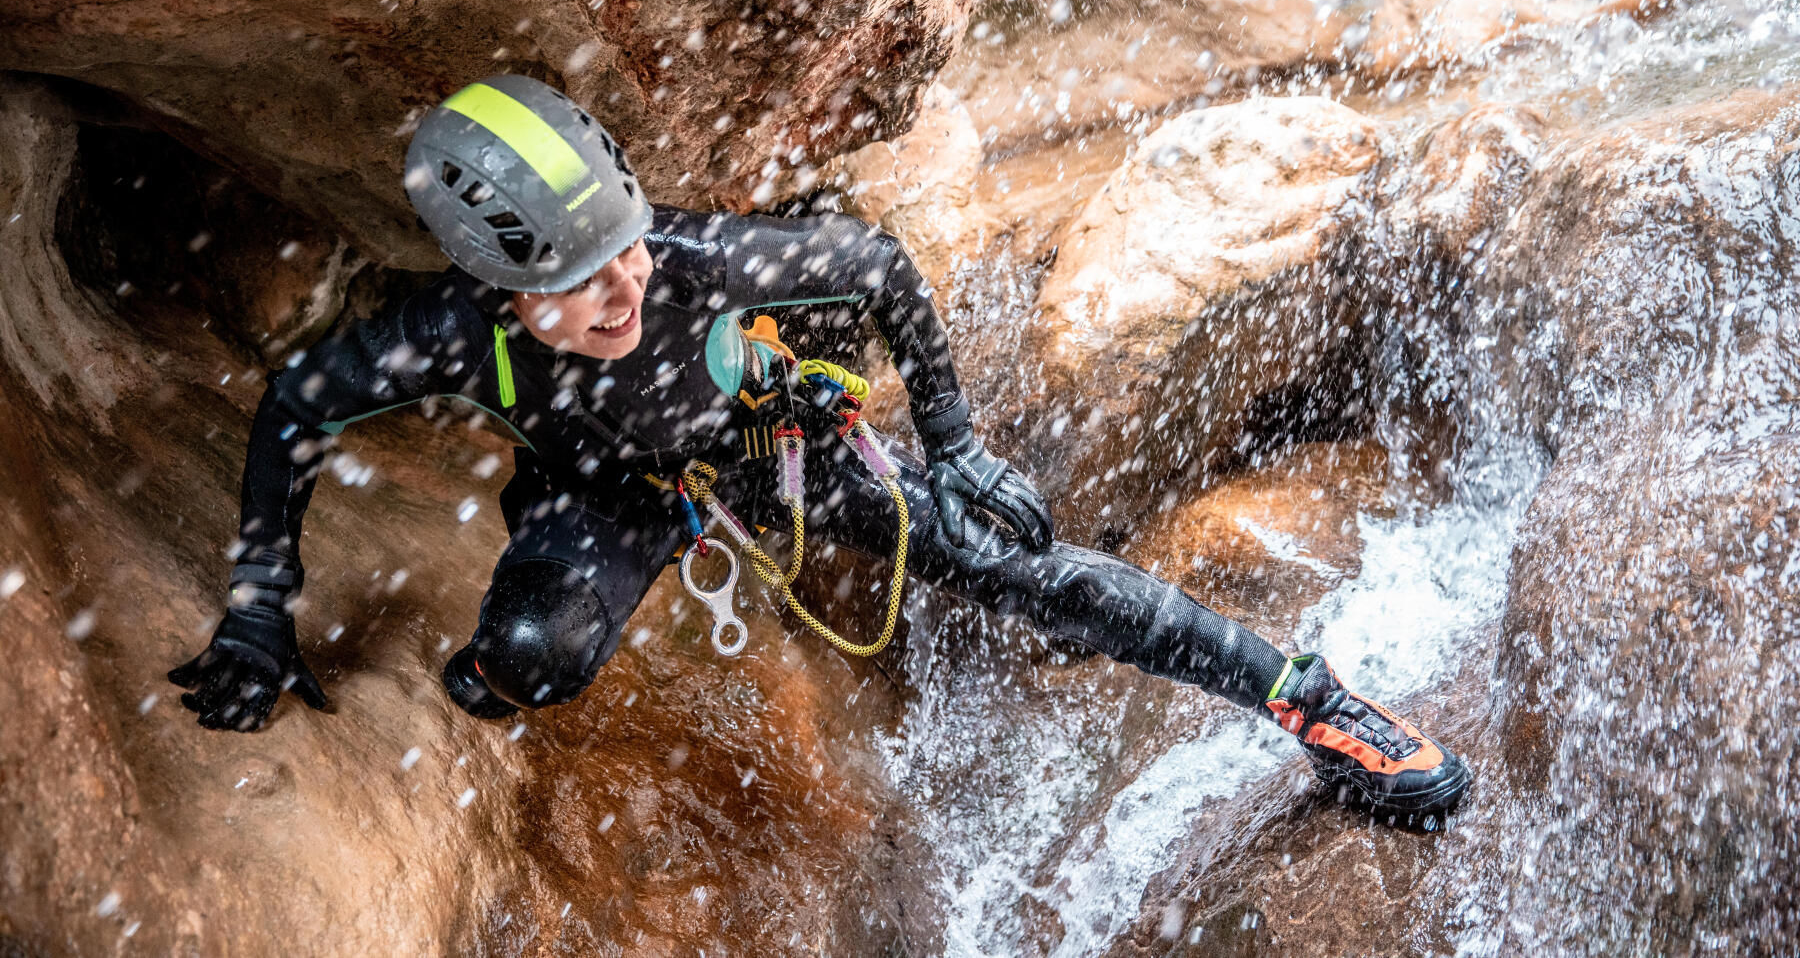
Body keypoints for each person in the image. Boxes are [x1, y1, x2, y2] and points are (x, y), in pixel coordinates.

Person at [169, 75, 1469, 822]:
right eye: (581, 285)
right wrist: (258, 615)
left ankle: (1315, 705)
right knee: (525, 659)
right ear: (504, 293)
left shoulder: (699, 260)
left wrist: (951, 444)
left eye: (624, 251)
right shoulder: (453, 339)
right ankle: (498, 680)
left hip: (774, 445)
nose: (625, 292)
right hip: (608, 494)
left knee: (1039, 573)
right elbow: (293, 406)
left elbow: (879, 265)